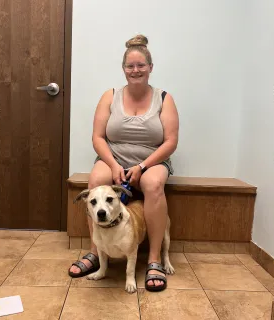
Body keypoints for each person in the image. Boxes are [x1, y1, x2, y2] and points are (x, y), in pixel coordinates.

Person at [69, 34, 179, 292]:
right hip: (113, 158)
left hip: (152, 161)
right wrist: (115, 165)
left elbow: (171, 142)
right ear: (123, 69)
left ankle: (153, 260)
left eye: (141, 65)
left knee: (152, 185)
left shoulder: (164, 98)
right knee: (96, 180)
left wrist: (141, 167)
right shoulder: (110, 95)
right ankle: (96, 253)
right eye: (130, 66)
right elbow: (97, 137)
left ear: (150, 67)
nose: (135, 70)